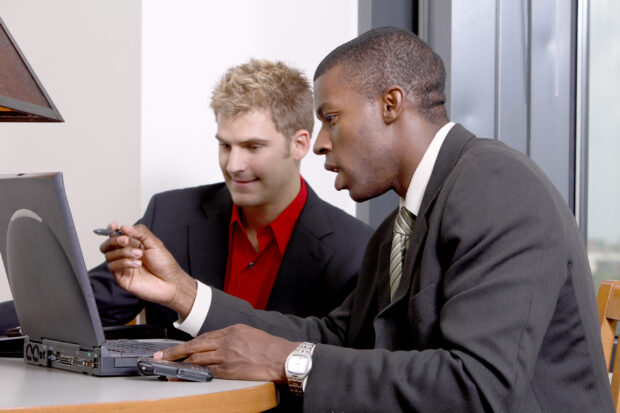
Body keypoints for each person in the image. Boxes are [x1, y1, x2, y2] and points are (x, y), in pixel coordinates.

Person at [102, 27, 614, 412]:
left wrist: (287, 361)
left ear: (391, 104)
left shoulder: (498, 187)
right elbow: (339, 336)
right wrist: (183, 295)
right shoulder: (400, 226)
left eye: (331, 118)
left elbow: (477, 388)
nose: (319, 142)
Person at [0, 59, 373, 341]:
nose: (234, 164)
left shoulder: (353, 250)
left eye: (253, 147)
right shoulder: (172, 215)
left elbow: (333, 355)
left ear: (300, 144)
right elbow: (85, 306)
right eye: (225, 145)